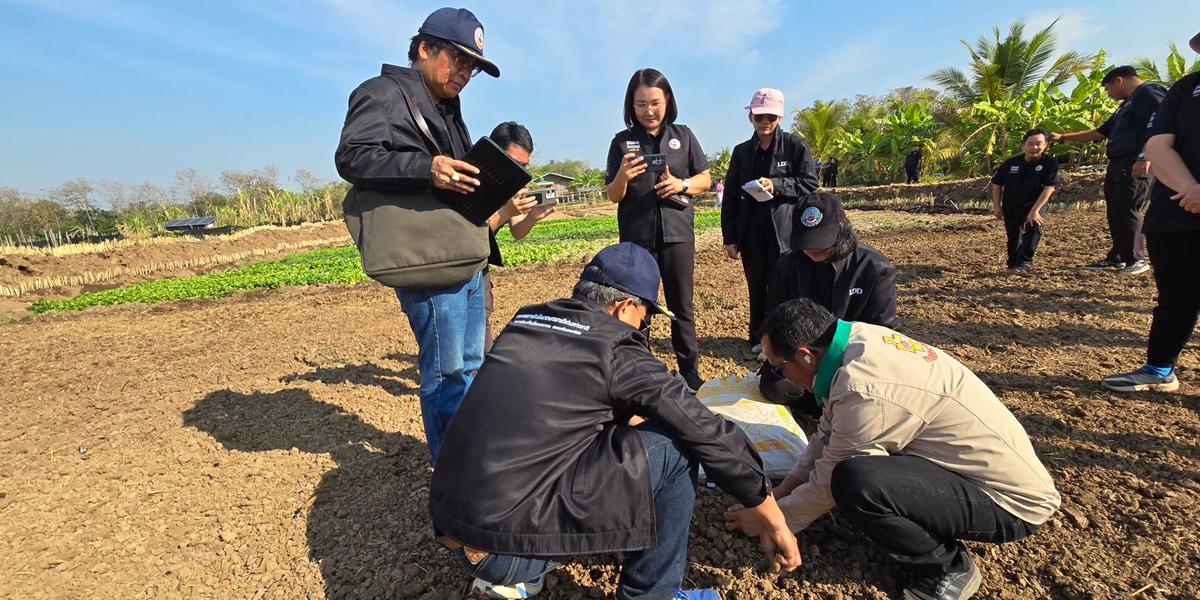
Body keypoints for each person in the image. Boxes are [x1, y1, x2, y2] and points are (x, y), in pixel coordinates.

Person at [430, 243, 801, 600]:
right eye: (645, 317)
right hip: (505, 553)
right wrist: (773, 517)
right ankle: (653, 595)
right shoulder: (615, 347)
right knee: (676, 447)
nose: (643, 329)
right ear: (625, 307)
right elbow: (705, 429)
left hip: (453, 525)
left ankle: (519, 570)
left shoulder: (528, 320)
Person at [727, 299, 1061, 600]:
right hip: (959, 470)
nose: (777, 375)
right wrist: (778, 495)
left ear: (804, 355)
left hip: (1008, 502)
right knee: (850, 473)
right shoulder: (851, 344)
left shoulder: (865, 387)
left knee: (855, 481)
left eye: (778, 366)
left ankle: (946, 568)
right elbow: (828, 434)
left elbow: (831, 478)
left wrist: (773, 523)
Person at [334, 7, 500, 460]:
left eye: (473, 67)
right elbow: (352, 156)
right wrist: (427, 168)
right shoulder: (382, 94)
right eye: (459, 59)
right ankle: (452, 472)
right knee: (445, 372)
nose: (466, 72)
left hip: (463, 255)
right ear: (425, 49)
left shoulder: (447, 107)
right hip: (427, 259)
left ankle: (468, 459)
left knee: (468, 365)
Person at [1101, 32, 1200, 393]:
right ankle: (1159, 368)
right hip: (1177, 207)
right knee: (1175, 297)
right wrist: (1190, 189)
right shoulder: (1185, 88)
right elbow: (1158, 143)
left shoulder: (1151, 93)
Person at [606, 69, 713, 391]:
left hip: (677, 233)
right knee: (639, 304)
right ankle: (642, 370)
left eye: (654, 102)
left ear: (667, 100)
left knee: (682, 305)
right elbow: (613, 194)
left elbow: (705, 179)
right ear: (631, 106)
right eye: (640, 104)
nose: (648, 111)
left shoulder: (684, 135)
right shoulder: (622, 143)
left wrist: (681, 183)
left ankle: (689, 372)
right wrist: (623, 175)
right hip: (637, 237)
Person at [760, 192, 896, 413]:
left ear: (842, 229)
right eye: (806, 241)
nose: (812, 249)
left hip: (851, 358)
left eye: (821, 240)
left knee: (860, 393)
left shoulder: (874, 268)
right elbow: (775, 317)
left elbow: (881, 332)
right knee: (777, 386)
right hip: (802, 356)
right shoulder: (788, 265)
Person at [720, 88, 819, 353]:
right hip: (751, 231)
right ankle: (757, 338)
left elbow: (809, 183)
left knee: (786, 287)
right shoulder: (742, 153)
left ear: (779, 118)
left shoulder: (795, 146)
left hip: (784, 232)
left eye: (771, 118)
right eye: (759, 117)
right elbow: (730, 195)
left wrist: (776, 184)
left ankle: (786, 341)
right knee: (757, 287)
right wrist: (729, 237)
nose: (765, 123)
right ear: (750, 117)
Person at [1049, 66, 1167, 275]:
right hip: (1118, 162)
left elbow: (1158, 126)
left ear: (1118, 81)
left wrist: (1144, 156)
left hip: (1135, 161)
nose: (1108, 94)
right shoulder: (1125, 106)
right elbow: (1099, 133)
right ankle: (1118, 257)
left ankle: (1136, 259)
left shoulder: (1148, 94)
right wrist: (1063, 137)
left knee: (1128, 207)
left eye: (1107, 89)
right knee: (1115, 209)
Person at [483, 121, 556, 351]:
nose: (519, 172)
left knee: (480, 327)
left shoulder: (513, 187)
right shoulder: (475, 179)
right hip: (456, 262)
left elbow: (517, 231)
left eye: (524, 165)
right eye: (513, 163)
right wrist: (506, 211)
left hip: (480, 265)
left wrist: (533, 216)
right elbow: (471, 233)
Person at [989, 129, 1060, 270]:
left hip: (1035, 204)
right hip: (1011, 204)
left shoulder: (1050, 164)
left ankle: (1025, 261)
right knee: (1014, 234)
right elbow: (997, 184)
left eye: (1039, 144)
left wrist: (1035, 210)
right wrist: (997, 206)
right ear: (1023, 146)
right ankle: (1013, 262)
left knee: (1033, 231)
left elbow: (1049, 187)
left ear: (1045, 145)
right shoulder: (1011, 163)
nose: (1034, 147)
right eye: (1030, 144)